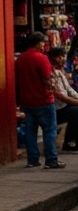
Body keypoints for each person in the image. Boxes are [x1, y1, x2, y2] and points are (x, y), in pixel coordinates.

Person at [15, 32, 64, 169]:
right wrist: (53, 88)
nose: (45, 46)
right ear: (38, 43)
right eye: (43, 43)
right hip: (43, 100)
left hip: (27, 102)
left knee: (31, 131)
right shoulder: (41, 58)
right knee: (49, 131)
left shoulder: (20, 59)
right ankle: (51, 160)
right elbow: (48, 79)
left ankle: (32, 160)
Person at [49, 47, 78, 152]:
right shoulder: (51, 74)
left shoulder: (60, 73)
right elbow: (61, 96)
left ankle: (76, 142)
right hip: (56, 109)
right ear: (53, 58)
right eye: (59, 57)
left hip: (63, 106)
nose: (62, 59)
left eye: (63, 56)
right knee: (77, 111)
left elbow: (69, 89)